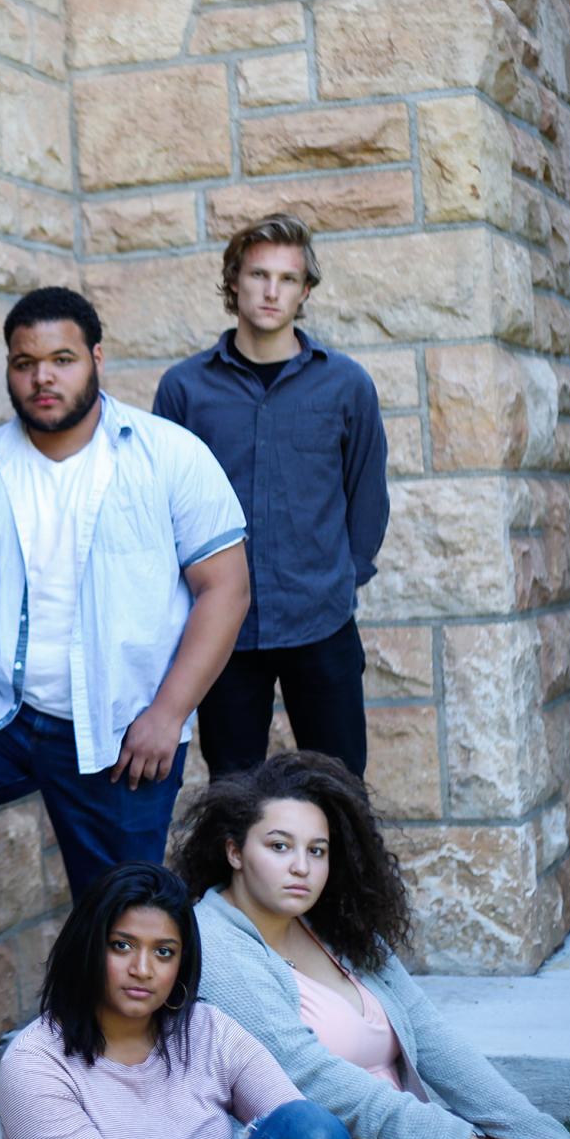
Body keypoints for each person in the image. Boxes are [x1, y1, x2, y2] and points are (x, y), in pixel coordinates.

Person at [0, 285, 251, 1027]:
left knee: (129, 913)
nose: (43, 377)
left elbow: (225, 589)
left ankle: (137, 1058)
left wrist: (168, 713)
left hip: (122, 731)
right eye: (25, 362)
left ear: (96, 358)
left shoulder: (168, 457)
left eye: (62, 358)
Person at [173, 752, 570, 1139]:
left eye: (317, 851)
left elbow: (435, 1041)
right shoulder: (214, 941)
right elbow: (309, 1077)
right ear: (234, 852)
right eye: (279, 846)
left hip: (399, 1136)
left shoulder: (333, 929)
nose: (302, 867)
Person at [153, 213, 388, 779]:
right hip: (222, 629)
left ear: (305, 291)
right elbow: (162, 505)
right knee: (232, 790)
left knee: (339, 786)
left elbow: (366, 493)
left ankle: (347, 875)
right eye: (258, 274)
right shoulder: (185, 389)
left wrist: (340, 578)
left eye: (287, 279)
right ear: (234, 281)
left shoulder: (345, 384)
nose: (270, 290)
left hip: (321, 622)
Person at [0, 862, 360, 1139]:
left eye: (164, 952)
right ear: (88, 947)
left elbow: (307, 1133)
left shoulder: (208, 1031)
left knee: (311, 1128)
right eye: (121, 946)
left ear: (182, 963)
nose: (142, 969)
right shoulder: (35, 1064)